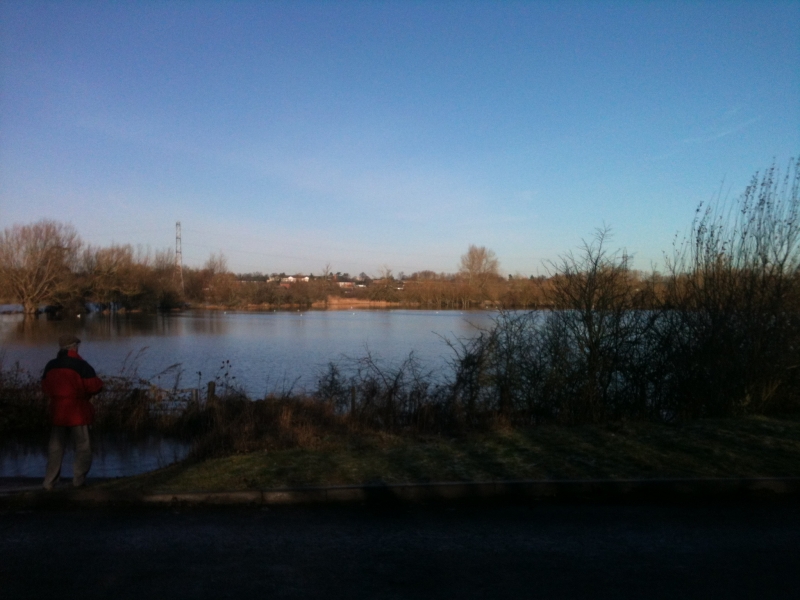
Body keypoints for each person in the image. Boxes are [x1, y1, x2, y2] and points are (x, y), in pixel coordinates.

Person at [41, 334, 104, 490]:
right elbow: (95, 386)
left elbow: (45, 386)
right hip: (78, 412)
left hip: (57, 412)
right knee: (83, 447)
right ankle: (78, 481)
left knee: (55, 449)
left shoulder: (51, 365)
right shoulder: (81, 365)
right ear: (74, 347)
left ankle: (49, 482)